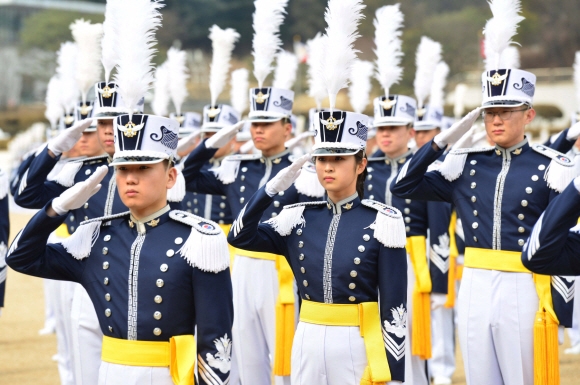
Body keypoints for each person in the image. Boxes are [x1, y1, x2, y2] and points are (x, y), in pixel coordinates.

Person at [6, 113, 234, 385]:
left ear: (171, 176)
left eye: (143, 168)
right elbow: (20, 258)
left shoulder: (199, 239)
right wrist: (55, 210)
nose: (130, 179)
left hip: (168, 376)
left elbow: (215, 339)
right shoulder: (95, 237)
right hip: (110, 373)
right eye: (123, 169)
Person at [228, 107, 407, 385]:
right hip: (307, 336)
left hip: (356, 339)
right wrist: (269, 191)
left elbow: (395, 307)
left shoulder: (383, 221)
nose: (328, 167)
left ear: (360, 165)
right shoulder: (297, 217)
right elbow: (239, 236)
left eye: (338, 158)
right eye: (321, 158)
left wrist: (394, 374)